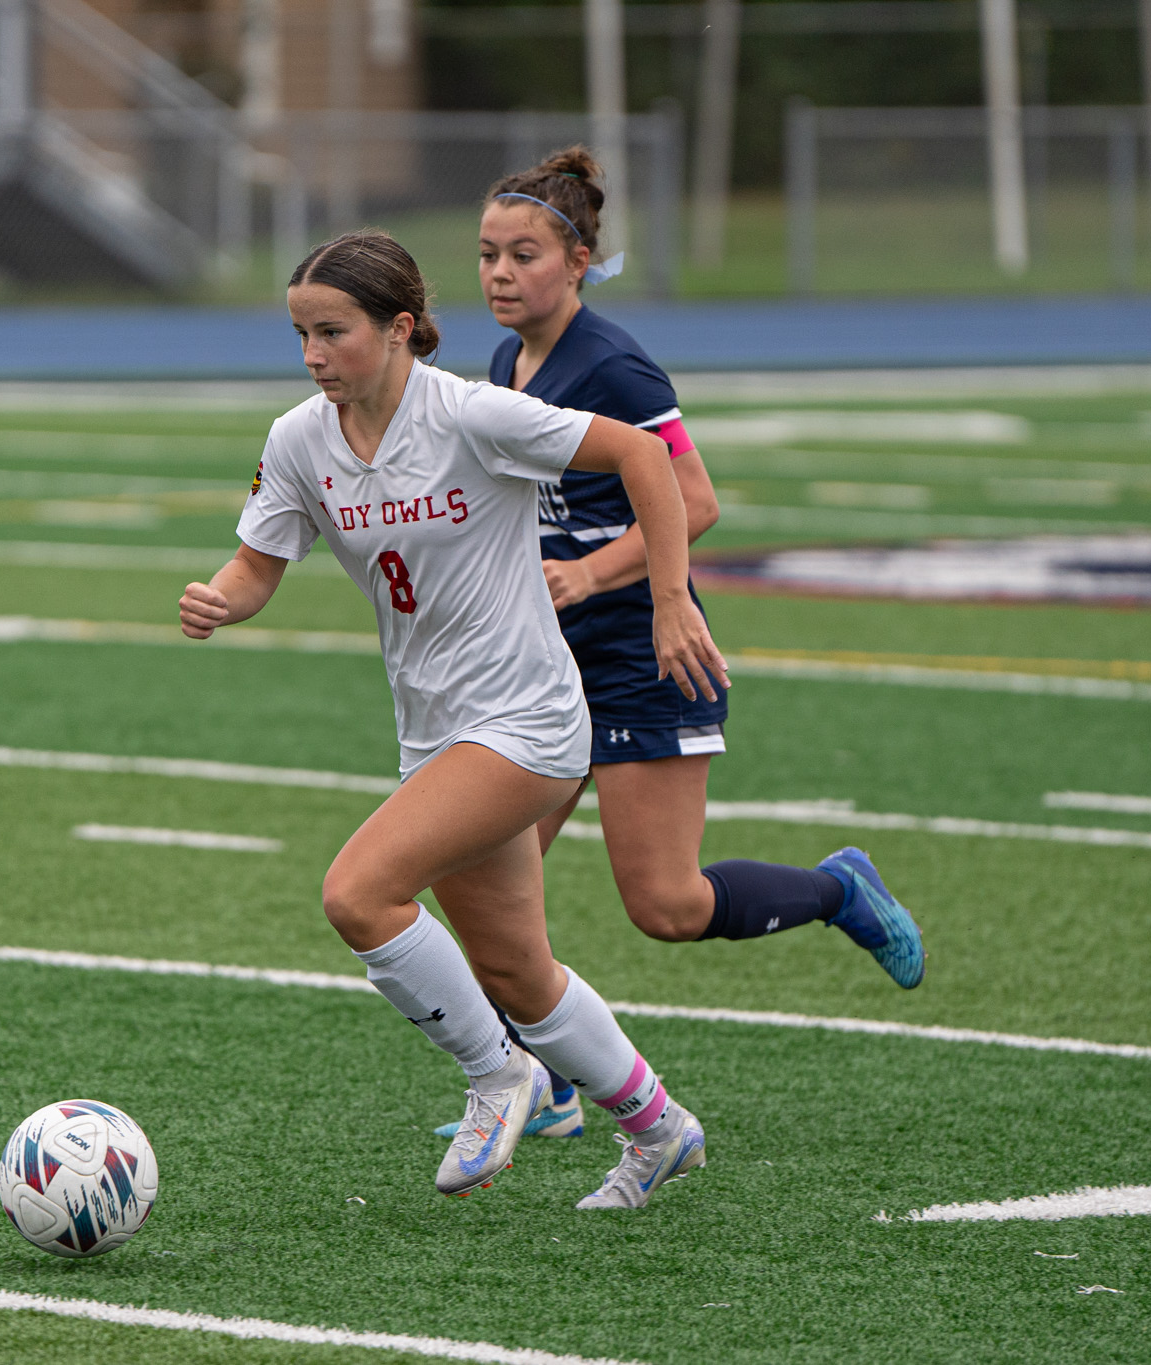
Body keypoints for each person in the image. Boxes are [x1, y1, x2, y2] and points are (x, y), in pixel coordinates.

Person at [178, 230, 724, 1209]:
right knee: (515, 971)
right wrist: (221, 599)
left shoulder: (473, 417)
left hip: (526, 718)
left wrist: (668, 596)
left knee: (358, 893)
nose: (312, 355)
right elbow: (258, 567)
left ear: (397, 330)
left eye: (332, 332)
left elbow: (645, 456)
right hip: (434, 728)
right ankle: (656, 1126)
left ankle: (495, 1075)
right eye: (300, 333)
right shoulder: (299, 439)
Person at [454, 148, 925, 1142]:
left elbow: (694, 497)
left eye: (523, 255)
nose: (500, 273)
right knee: (490, 883)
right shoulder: (506, 362)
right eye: (489, 255)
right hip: (551, 664)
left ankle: (837, 889)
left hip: (635, 657)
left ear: (577, 260)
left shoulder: (613, 365)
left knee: (663, 904)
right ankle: (547, 1079)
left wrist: (632, 587)